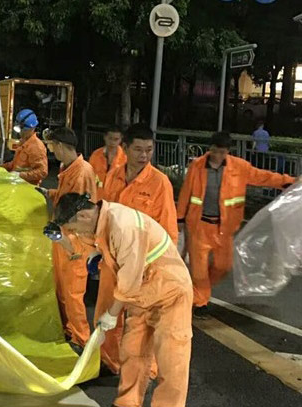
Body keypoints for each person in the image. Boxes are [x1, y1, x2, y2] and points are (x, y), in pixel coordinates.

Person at [52, 193, 192, 407]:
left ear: (82, 216)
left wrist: (110, 316)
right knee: (133, 351)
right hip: (142, 295)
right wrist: (61, 238)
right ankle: (127, 403)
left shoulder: (124, 226)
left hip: (170, 293)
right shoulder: (99, 224)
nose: (75, 233)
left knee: (171, 360)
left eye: (72, 228)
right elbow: (82, 248)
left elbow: (129, 280)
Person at [177, 131, 299, 319]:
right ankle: (200, 301)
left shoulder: (239, 167)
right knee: (198, 270)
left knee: (223, 266)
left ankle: (201, 290)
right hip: (199, 226)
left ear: (228, 151)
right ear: (210, 149)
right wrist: (180, 219)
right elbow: (186, 192)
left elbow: (262, 177)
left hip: (224, 229)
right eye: (215, 151)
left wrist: (289, 181)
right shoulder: (197, 166)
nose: (218, 156)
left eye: (222, 152)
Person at [96, 123, 178, 374]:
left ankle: (146, 367)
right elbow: (105, 215)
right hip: (114, 260)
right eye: (139, 150)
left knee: (142, 320)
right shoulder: (115, 175)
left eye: (149, 150)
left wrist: (161, 268)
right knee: (106, 314)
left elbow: (169, 228)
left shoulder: (159, 183)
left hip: (145, 265)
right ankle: (108, 360)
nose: (144, 156)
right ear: (125, 148)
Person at [37, 127, 96, 353]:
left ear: (60, 146)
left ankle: (81, 339)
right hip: (66, 237)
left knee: (72, 294)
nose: (52, 152)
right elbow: (65, 198)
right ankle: (70, 331)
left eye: (52, 147)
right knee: (63, 290)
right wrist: (48, 193)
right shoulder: (70, 170)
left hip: (76, 240)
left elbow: (75, 209)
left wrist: (56, 229)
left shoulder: (80, 173)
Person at [1, 109, 48, 185]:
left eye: (23, 130)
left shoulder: (37, 146)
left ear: (32, 128)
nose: (20, 132)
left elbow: (42, 171)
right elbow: (15, 164)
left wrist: (20, 175)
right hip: (17, 184)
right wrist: (0, 167)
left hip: (28, 187)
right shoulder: (23, 142)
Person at [88, 125, 126, 198]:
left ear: (121, 139)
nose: (112, 142)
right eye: (110, 138)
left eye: (116, 139)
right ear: (105, 137)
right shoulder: (96, 155)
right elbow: (90, 176)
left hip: (116, 200)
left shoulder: (125, 158)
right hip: (97, 197)